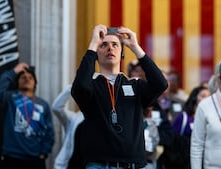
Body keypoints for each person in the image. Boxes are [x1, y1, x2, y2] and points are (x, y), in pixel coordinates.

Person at [71, 25, 168, 169]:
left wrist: (135, 46)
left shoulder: (135, 85)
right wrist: (93, 44)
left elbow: (160, 84)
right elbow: (79, 87)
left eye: (115, 44)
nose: (110, 48)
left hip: (132, 165)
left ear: (122, 53)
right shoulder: (91, 85)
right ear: (96, 54)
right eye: (104, 45)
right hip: (98, 164)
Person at [0, 63, 55, 169]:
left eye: (30, 78)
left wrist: (44, 152)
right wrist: (14, 71)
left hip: (36, 159)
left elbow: (49, 132)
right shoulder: (10, 98)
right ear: (17, 82)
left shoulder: (43, 104)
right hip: (12, 158)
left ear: (35, 84)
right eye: (23, 77)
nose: (26, 79)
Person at [160, 86, 210, 169]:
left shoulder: (211, 119)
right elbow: (173, 141)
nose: (207, 99)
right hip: (184, 162)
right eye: (203, 96)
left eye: (209, 96)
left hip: (205, 161)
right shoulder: (183, 117)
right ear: (194, 98)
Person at [52, 84, 85, 169]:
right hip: (72, 165)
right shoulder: (74, 118)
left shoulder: (103, 120)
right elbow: (56, 108)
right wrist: (74, 85)